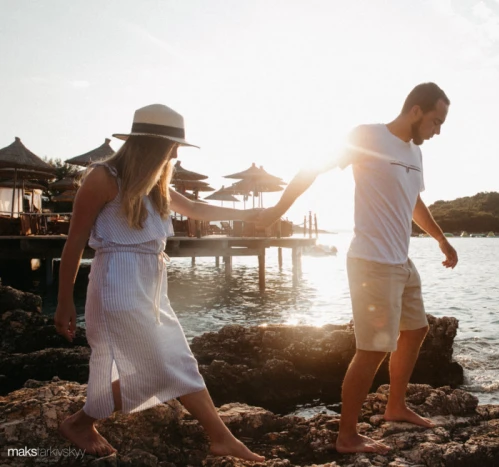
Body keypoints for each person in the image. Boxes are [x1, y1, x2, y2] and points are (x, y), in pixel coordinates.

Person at [54, 104, 265, 463]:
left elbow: (197, 209)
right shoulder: (103, 178)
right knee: (159, 368)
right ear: (152, 143)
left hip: (151, 285)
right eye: (172, 145)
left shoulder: (154, 182)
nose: (177, 152)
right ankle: (81, 422)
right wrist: (63, 301)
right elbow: (74, 241)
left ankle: (220, 438)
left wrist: (247, 215)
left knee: (179, 361)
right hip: (117, 284)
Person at [256, 82, 458, 454]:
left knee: (416, 330)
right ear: (416, 111)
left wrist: (441, 239)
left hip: (401, 259)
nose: (437, 130)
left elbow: (415, 202)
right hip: (371, 260)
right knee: (373, 349)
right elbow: (312, 168)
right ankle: (347, 435)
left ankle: (395, 406)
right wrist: (278, 211)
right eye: (435, 121)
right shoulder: (368, 136)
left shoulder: (415, 152)